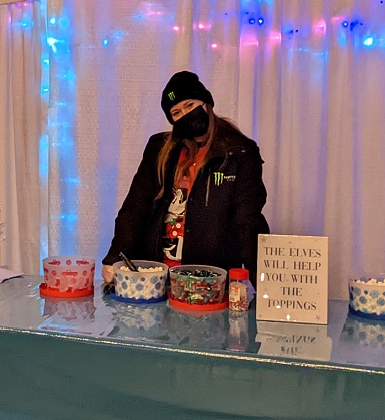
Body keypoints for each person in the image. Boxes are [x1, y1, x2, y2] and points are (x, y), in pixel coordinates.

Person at [102, 70, 269, 284]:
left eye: (190, 105)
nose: (185, 114)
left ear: (206, 103)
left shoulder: (239, 152)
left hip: (209, 280)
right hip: (155, 276)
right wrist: (115, 257)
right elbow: (136, 206)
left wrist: (262, 281)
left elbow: (248, 219)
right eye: (176, 112)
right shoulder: (159, 149)